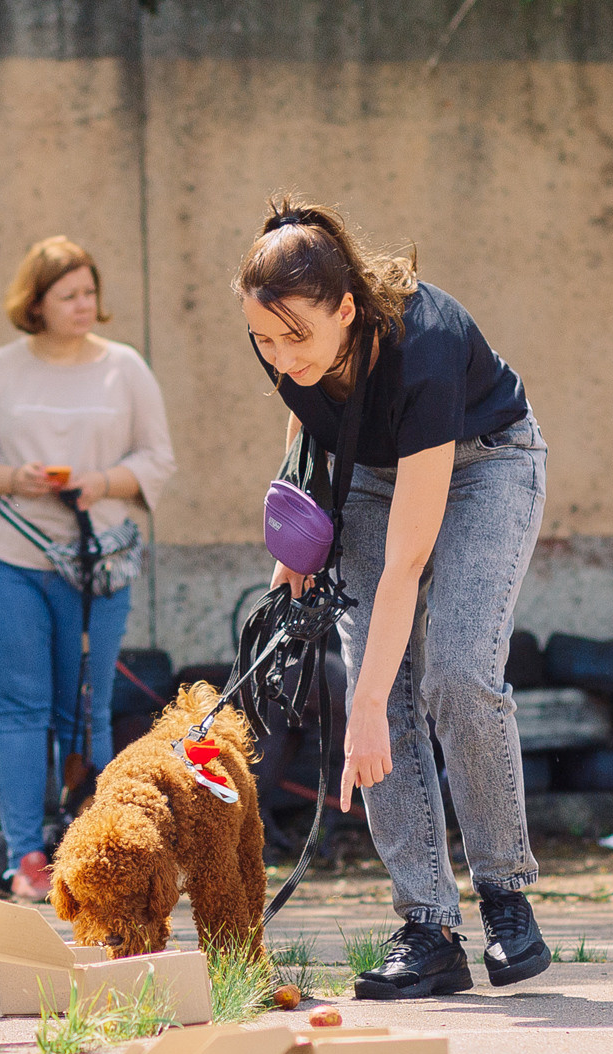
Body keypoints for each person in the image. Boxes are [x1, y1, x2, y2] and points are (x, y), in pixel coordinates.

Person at [235, 196, 551, 999]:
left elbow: (409, 562)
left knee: (453, 672)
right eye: (264, 339)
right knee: (372, 687)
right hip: (368, 477)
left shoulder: (427, 346)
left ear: (346, 308)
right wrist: (295, 538)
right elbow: (309, 423)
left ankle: (505, 895)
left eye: (295, 337)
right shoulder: (288, 342)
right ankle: (428, 928)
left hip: (487, 463)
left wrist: (370, 698)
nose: (280, 357)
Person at [0, 237, 175, 901]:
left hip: (97, 564)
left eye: (89, 293)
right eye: (67, 295)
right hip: (7, 560)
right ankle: (25, 858)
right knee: (20, 707)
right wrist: (15, 476)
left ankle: (93, 848)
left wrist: (103, 481)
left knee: (88, 713)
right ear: (34, 302)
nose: (83, 305)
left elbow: (158, 460)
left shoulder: (125, 368)